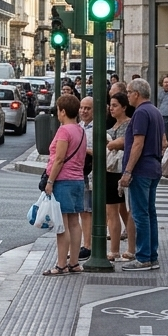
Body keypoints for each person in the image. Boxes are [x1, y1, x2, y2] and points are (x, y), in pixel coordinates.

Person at [118, 78, 164, 271]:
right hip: (153, 166)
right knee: (149, 212)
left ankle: (144, 256)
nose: (127, 95)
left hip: (141, 168)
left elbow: (138, 143)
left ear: (136, 94)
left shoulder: (141, 113)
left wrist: (128, 171)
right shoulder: (155, 111)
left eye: (128, 92)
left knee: (139, 213)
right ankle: (151, 255)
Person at [42, 94, 86, 276]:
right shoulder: (81, 130)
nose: (57, 114)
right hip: (78, 180)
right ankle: (74, 262)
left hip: (64, 180)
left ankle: (61, 264)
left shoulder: (64, 131)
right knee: (75, 223)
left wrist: (50, 181)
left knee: (63, 225)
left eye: (58, 111)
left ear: (63, 111)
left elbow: (59, 159)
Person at [105, 93, 136, 261]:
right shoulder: (112, 124)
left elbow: (126, 143)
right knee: (114, 211)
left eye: (115, 105)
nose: (111, 108)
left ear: (124, 107)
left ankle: (126, 248)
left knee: (122, 210)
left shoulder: (128, 124)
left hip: (121, 169)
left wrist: (113, 144)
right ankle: (117, 249)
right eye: (111, 105)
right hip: (110, 169)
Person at [78, 96, 96, 260]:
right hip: (79, 171)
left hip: (92, 172)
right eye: (82, 108)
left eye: (87, 108)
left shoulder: (97, 129)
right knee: (83, 209)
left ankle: (88, 245)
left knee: (87, 210)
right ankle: (86, 243)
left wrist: (84, 150)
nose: (83, 111)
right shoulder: (79, 126)